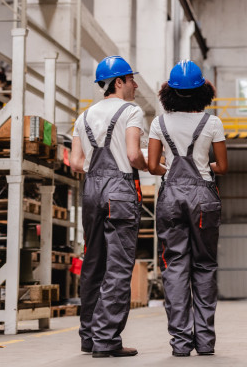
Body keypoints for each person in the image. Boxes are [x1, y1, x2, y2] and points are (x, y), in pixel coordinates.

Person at [147, 60, 228, 357]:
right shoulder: (213, 123)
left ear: (169, 91)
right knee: (204, 266)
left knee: (175, 268)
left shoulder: (159, 122)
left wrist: (171, 167)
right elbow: (224, 166)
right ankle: (205, 341)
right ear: (203, 91)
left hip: (170, 196)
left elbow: (153, 166)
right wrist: (203, 165)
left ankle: (181, 343)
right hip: (204, 197)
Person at [71, 55, 148, 358]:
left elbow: (77, 163)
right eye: (131, 79)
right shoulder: (132, 111)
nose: (136, 84)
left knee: (93, 264)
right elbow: (132, 155)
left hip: (91, 190)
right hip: (119, 189)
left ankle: (89, 337)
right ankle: (106, 340)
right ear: (119, 82)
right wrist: (153, 164)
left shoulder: (83, 116)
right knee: (118, 267)